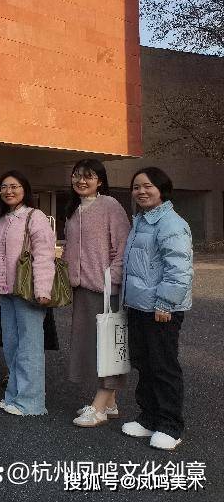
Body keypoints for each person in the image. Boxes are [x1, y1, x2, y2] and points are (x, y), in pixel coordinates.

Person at [121, 167, 193, 451]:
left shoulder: (170, 223)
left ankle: (170, 426)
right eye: (136, 187)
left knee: (163, 366)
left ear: (162, 189)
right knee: (144, 363)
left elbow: (179, 269)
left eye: (147, 186)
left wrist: (166, 303)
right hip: (140, 305)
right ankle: (149, 418)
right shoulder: (141, 221)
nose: (141, 191)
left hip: (162, 309)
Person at [63, 159, 131, 428]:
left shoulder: (110, 205)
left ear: (100, 181)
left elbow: (123, 246)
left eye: (88, 176)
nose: (81, 181)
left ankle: (99, 407)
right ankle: (110, 402)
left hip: (105, 290)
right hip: (82, 288)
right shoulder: (74, 208)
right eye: (77, 175)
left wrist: (111, 279)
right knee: (94, 345)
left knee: (109, 345)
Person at [0, 170, 55, 416]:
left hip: (28, 292)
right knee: (11, 345)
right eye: (4, 187)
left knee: (30, 348)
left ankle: (31, 402)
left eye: (14, 186)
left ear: (25, 189)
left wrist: (42, 289)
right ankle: (14, 396)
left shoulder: (35, 216)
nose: (9, 191)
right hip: (6, 292)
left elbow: (44, 254)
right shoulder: (1, 219)